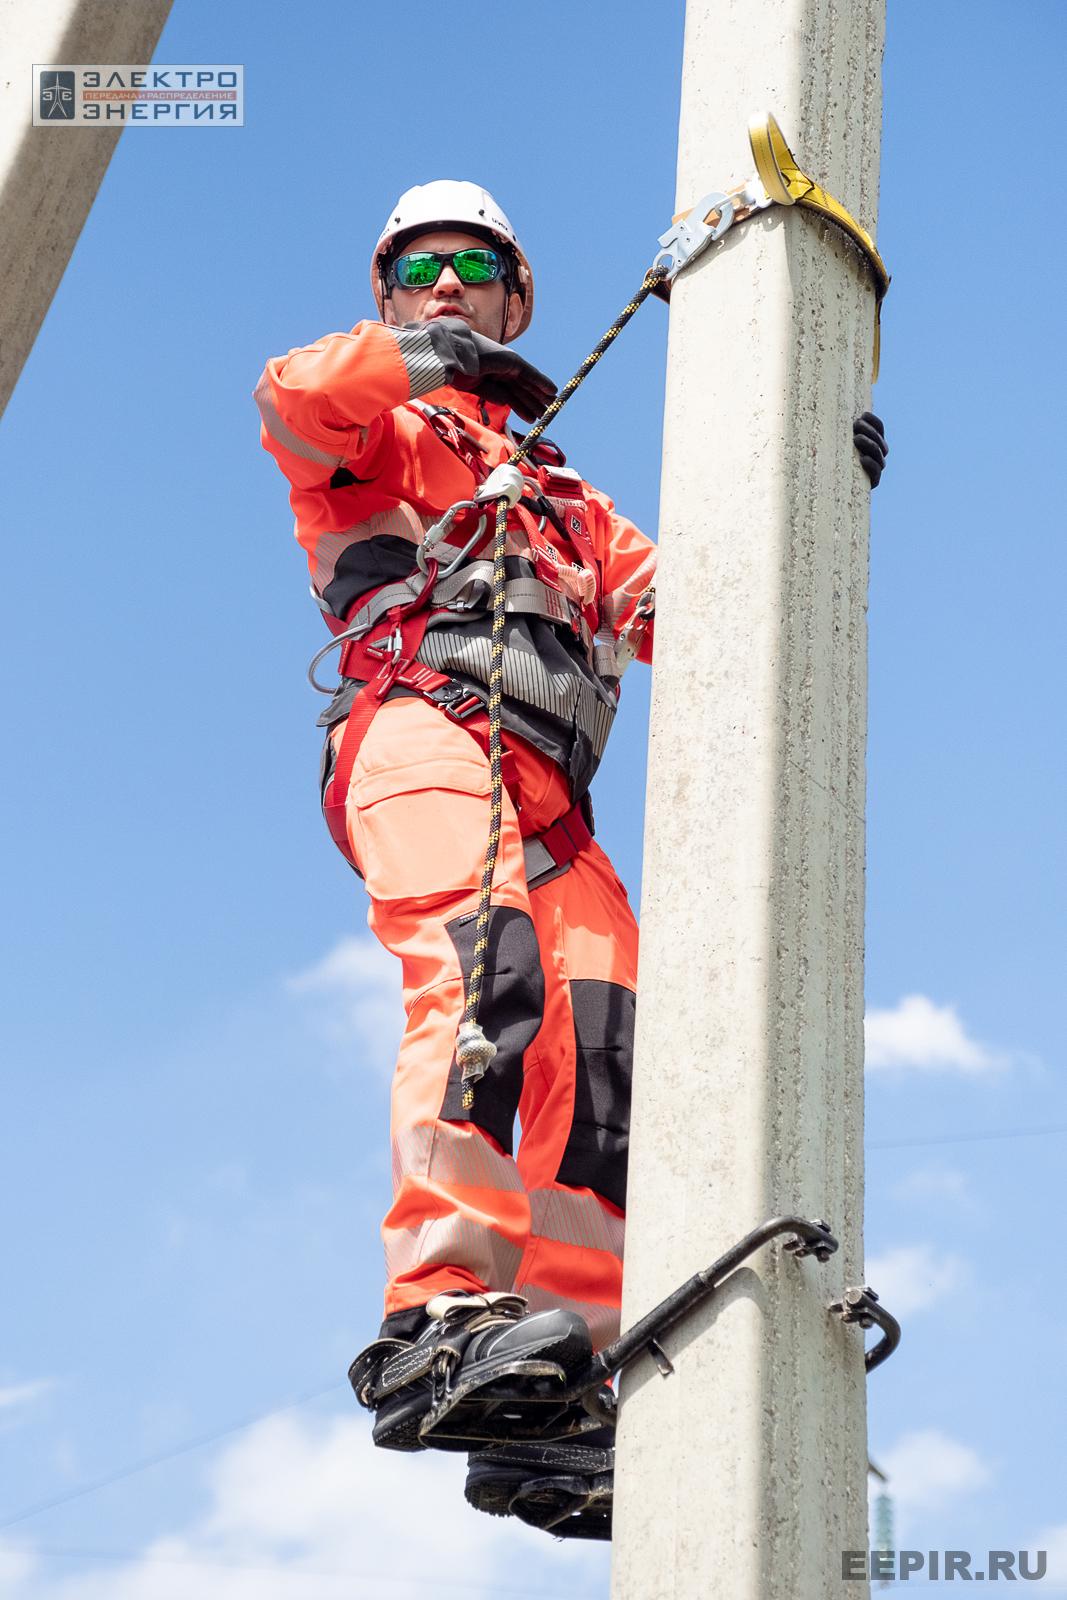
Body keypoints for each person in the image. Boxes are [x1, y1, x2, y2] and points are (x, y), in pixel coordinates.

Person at [254, 181, 888, 1522]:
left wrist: (824, 483)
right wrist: (434, 363)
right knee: (487, 983)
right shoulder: (379, 432)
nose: (444, 282)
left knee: (607, 1079)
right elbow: (291, 396)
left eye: (471, 267)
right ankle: (439, 1311)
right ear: (388, 292)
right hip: (430, 734)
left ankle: (559, 1395)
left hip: (554, 806)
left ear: (516, 291)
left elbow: (713, 603)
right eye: (417, 267)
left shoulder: (567, 504)